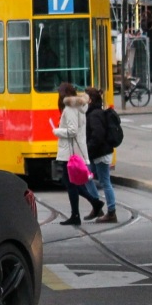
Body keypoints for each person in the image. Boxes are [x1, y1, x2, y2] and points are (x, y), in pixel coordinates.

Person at [53, 82, 104, 226]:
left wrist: (57, 131)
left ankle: (81, 211)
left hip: (69, 152)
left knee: (69, 183)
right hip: (74, 150)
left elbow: (72, 131)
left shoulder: (70, 108)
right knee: (72, 183)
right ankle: (91, 204)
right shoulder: (78, 107)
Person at [84, 87, 118, 223]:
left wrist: (88, 148)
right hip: (97, 153)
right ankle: (96, 205)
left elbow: (97, 135)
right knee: (87, 177)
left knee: (105, 182)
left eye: (85, 97)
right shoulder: (94, 112)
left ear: (90, 100)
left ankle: (111, 212)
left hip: (100, 153)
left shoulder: (94, 115)